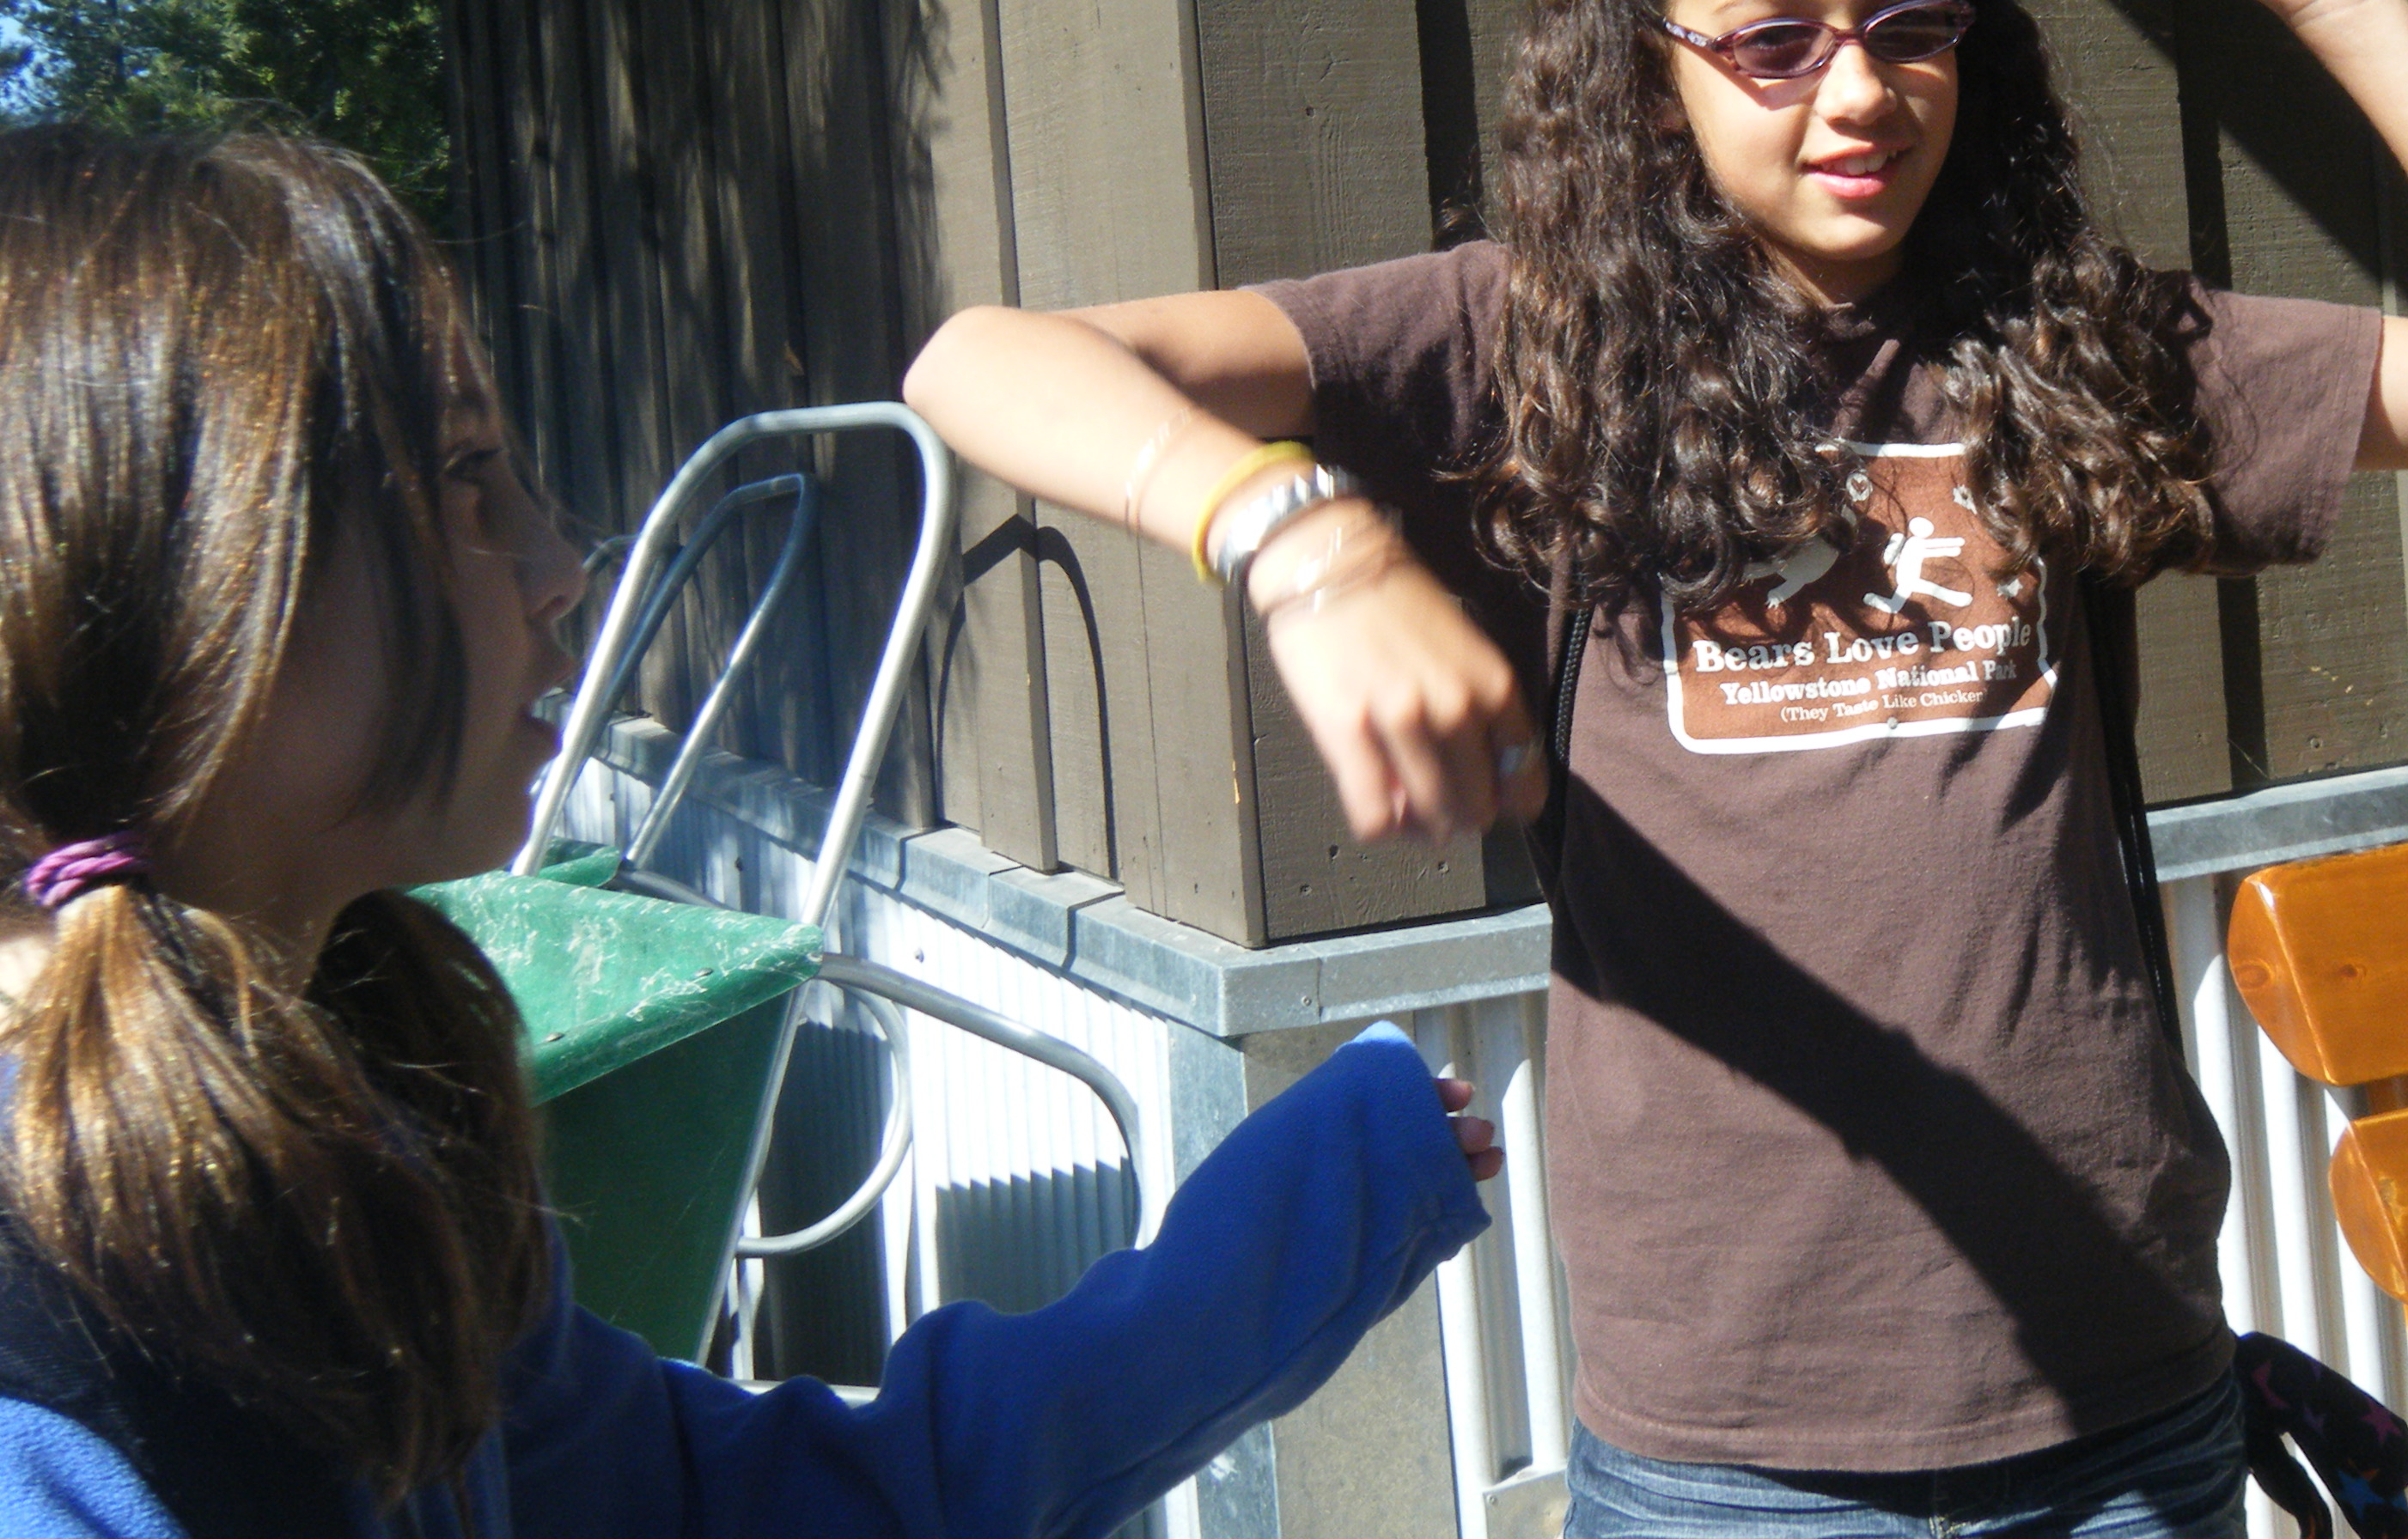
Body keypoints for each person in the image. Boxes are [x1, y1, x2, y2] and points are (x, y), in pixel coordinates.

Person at [903, 0, 2408, 1537]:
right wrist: (1303, 542)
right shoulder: (1521, 349)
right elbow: (977, 361)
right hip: (1735, 1460)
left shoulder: (2069, 348)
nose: (1860, 92)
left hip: (2121, 1418)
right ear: (1649, 72)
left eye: (1909, 24)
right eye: (1774, 41)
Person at [0, 125, 1500, 1539]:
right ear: (179, 577)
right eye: (463, 483)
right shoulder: (44, 1383)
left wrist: (1276, 1243)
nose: (559, 563)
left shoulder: (372, 1096)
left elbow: (740, 1504)